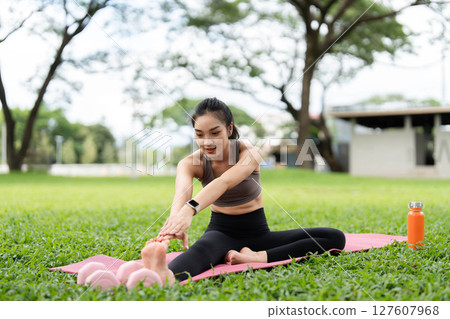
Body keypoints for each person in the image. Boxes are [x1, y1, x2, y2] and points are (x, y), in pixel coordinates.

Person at [141, 97, 345, 285]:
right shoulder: (188, 163)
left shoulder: (250, 154)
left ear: (229, 129)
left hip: (259, 234)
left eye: (215, 132)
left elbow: (224, 182)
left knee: (334, 237)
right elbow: (181, 196)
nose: (207, 142)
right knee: (202, 250)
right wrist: (170, 231)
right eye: (199, 134)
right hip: (221, 233)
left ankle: (255, 257)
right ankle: (162, 274)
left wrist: (190, 209)